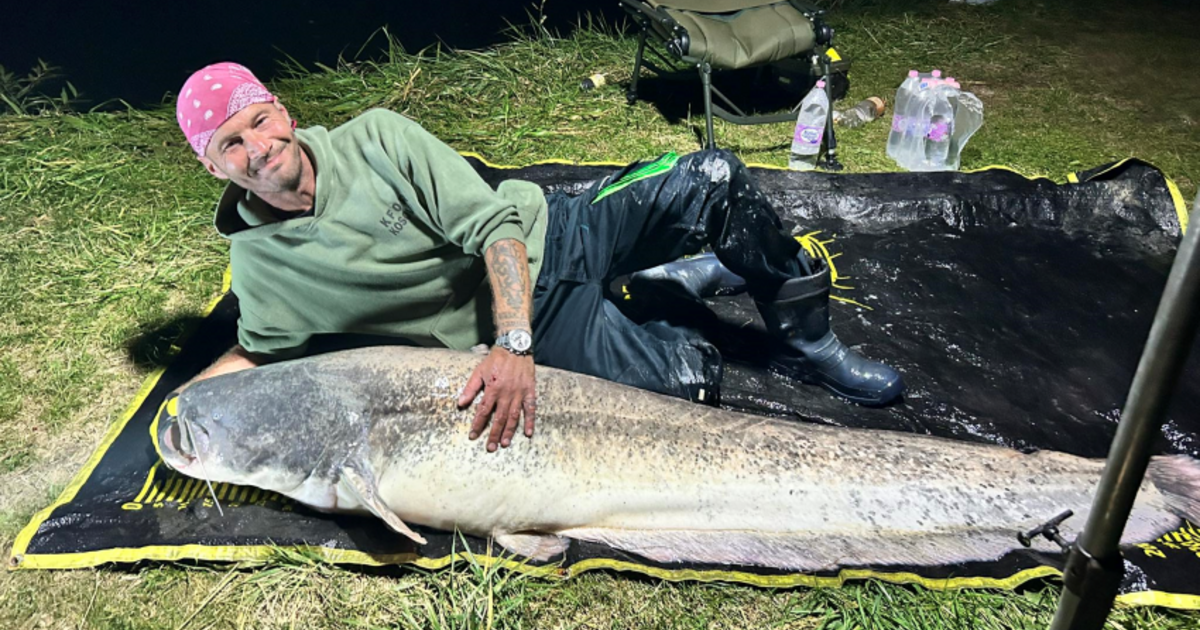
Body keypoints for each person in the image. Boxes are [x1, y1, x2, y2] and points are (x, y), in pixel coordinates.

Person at [174, 62, 904, 453]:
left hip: (551, 233)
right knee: (691, 390)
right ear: (213, 168)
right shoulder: (259, 269)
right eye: (229, 145)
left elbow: (494, 224)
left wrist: (511, 343)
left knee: (715, 177)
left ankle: (809, 345)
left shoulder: (377, 137)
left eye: (259, 121)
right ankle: (655, 289)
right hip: (541, 322)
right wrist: (184, 412)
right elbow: (260, 350)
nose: (257, 148)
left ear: (283, 111)